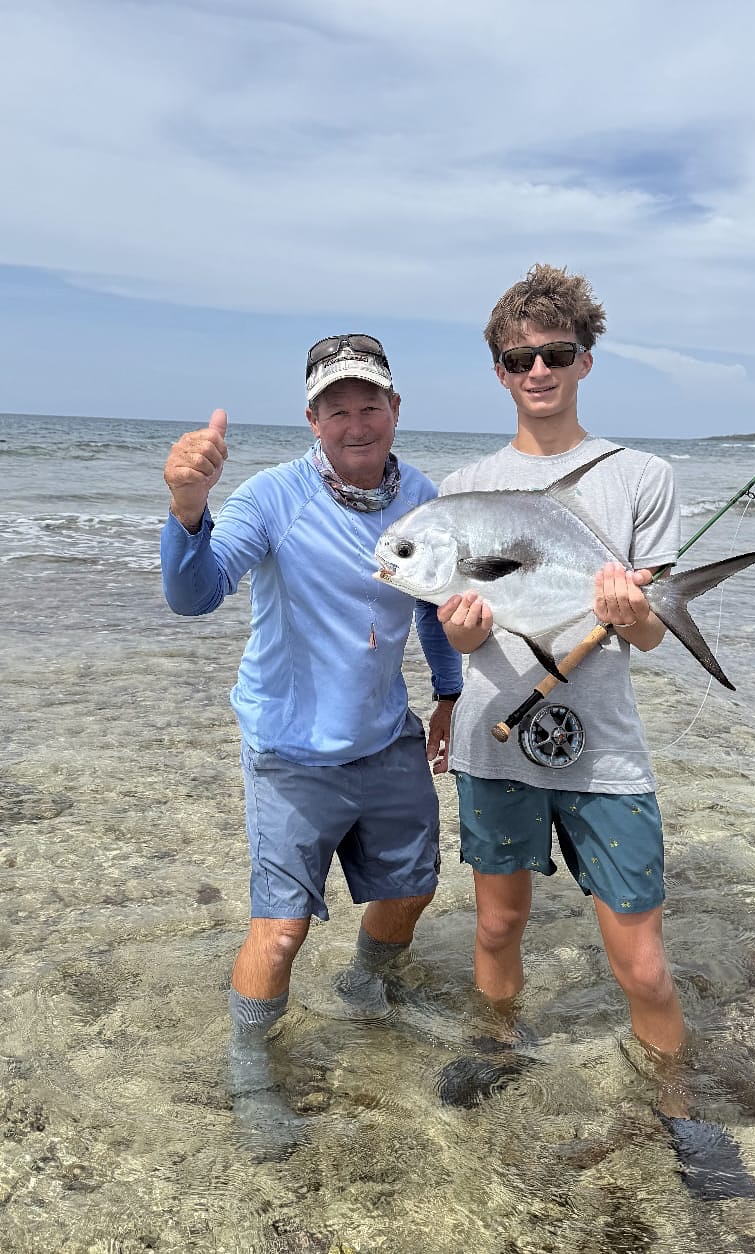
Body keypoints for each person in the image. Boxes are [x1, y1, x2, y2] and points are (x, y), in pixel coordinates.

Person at [434, 265, 755, 1201]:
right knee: (496, 924)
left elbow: (649, 632)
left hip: (604, 748)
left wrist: (635, 610)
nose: (537, 370)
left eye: (555, 354)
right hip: (496, 738)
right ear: (498, 371)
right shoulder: (466, 485)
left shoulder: (640, 477)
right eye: (518, 358)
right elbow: (461, 616)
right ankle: (498, 1049)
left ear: (584, 359)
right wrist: (455, 643)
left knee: (644, 962)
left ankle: (680, 1108)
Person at [160, 333, 464, 1156]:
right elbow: (196, 595)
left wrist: (447, 695)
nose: (356, 422)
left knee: (411, 888)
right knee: (282, 929)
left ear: (395, 410)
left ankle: (368, 987)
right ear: (312, 418)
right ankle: (248, 1065)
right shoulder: (271, 497)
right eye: (338, 409)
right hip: (289, 752)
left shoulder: (426, 500)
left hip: (385, 737)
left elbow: (433, 610)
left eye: (371, 404)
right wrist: (188, 510)